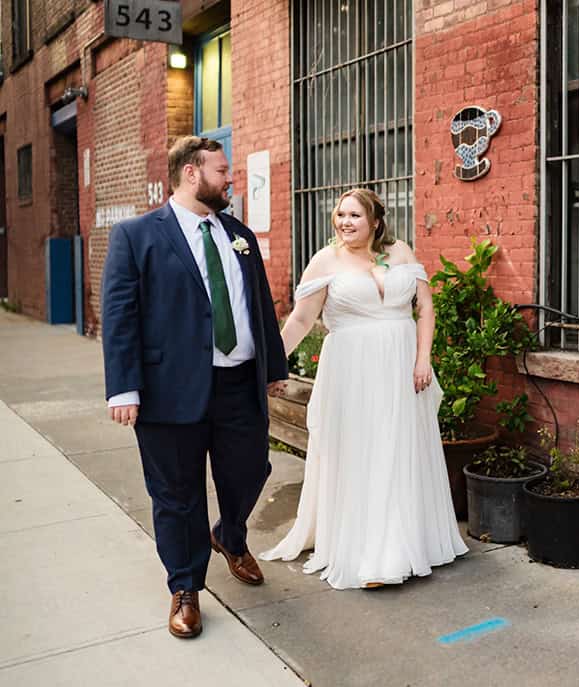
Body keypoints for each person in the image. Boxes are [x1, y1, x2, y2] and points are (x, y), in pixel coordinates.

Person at [101, 136, 288, 638]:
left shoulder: (238, 233)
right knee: (177, 494)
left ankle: (229, 535)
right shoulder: (137, 235)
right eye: (222, 171)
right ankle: (185, 587)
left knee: (251, 468)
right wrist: (123, 388)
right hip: (168, 389)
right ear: (191, 173)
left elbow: (257, 304)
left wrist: (272, 366)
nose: (230, 180)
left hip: (236, 385)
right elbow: (120, 316)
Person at [259, 188, 468, 589]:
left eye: (354, 215)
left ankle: (407, 542)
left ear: (375, 221)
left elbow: (425, 307)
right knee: (363, 450)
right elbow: (302, 320)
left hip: (403, 368)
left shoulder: (401, 252)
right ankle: (372, 552)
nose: (345, 222)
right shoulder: (325, 260)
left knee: (398, 448)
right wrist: (272, 365)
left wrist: (424, 358)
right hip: (352, 372)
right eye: (340, 215)